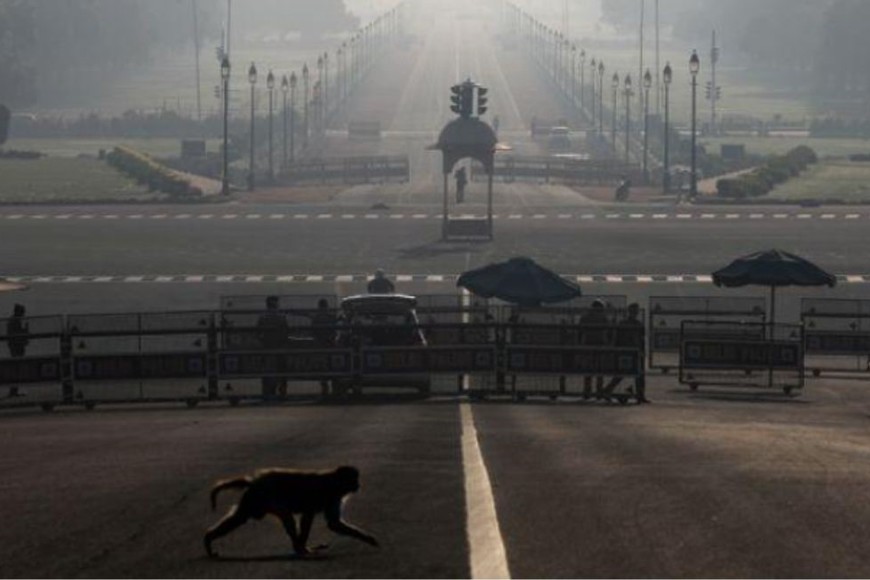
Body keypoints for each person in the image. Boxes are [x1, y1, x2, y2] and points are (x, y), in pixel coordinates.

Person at [600, 303, 650, 404]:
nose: (635, 313)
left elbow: (640, 339)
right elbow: (640, 339)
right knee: (629, 373)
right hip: (629, 351)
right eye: (634, 311)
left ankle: (639, 395)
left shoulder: (627, 323)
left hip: (630, 352)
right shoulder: (634, 324)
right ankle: (639, 395)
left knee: (630, 374)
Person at [257, 296, 289, 399]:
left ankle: (269, 392)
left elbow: (257, 332)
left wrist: (263, 341)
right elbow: (286, 331)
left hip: (267, 348)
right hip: (280, 347)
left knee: (267, 371)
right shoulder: (281, 316)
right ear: (276, 304)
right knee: (282, 371)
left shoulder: (263, 316)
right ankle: (282, 392)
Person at [579, 299, 610, 400]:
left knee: (588, 369)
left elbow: (580, 329)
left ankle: (587, 391)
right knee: (599, 369)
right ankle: (599, 391)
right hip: (600, 344)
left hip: (588, 343)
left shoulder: (585, 317)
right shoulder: (603, 317)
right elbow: (608, 330)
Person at [6, 304, 29, 398]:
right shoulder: (15, 321)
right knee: (16, 369)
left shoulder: (13, 321)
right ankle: (13, 391)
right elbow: (17, 334)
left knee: (16, 369)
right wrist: (25, 331)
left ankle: (14, 390)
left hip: (15, 347)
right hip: (16, 347)